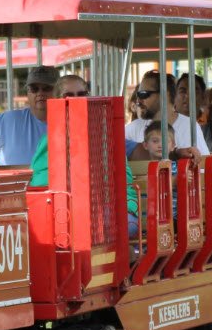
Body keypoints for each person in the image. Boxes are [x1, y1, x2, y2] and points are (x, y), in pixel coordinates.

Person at [28, 74, 139, 238]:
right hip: (67, 210)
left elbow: (123, 180)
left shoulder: (105, 134)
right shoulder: (50, 139)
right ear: (56, 101)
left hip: (110, 208)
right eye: (68, 96)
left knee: (98, 225)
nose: (76, 100)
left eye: (81, 95)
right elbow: (40, 180)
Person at [0, 65, 58, 165]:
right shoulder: (5, 121)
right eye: (34, 89)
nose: (40, 93)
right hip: (11, 181)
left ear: (58, 91)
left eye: (46, 88)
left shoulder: (70, 123)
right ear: (28, 93)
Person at [125, 70, 208, 160]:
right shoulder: (133, 128)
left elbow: (203, 166)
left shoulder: (189, 126)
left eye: (143, 94)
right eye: (138, 95)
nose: (138, 101)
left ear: (164, 94)